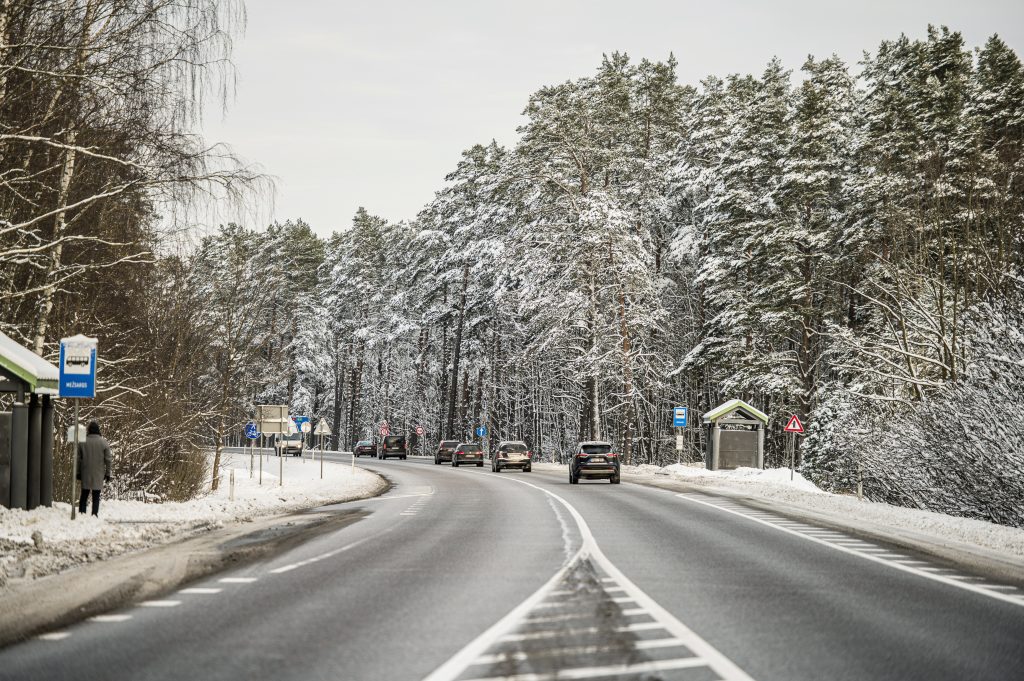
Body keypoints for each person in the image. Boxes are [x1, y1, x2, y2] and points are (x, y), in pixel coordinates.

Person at [77, 420, 112, 517]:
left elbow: (78, 459)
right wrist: (108, 473)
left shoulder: (82, 442)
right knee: (96, 496)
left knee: (84, 495)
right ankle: (94, 514)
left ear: (89, 430)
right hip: (98, 473)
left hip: (85, 472)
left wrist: (78, 472)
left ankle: (82, 514)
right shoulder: (104, 442)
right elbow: (108, 460)